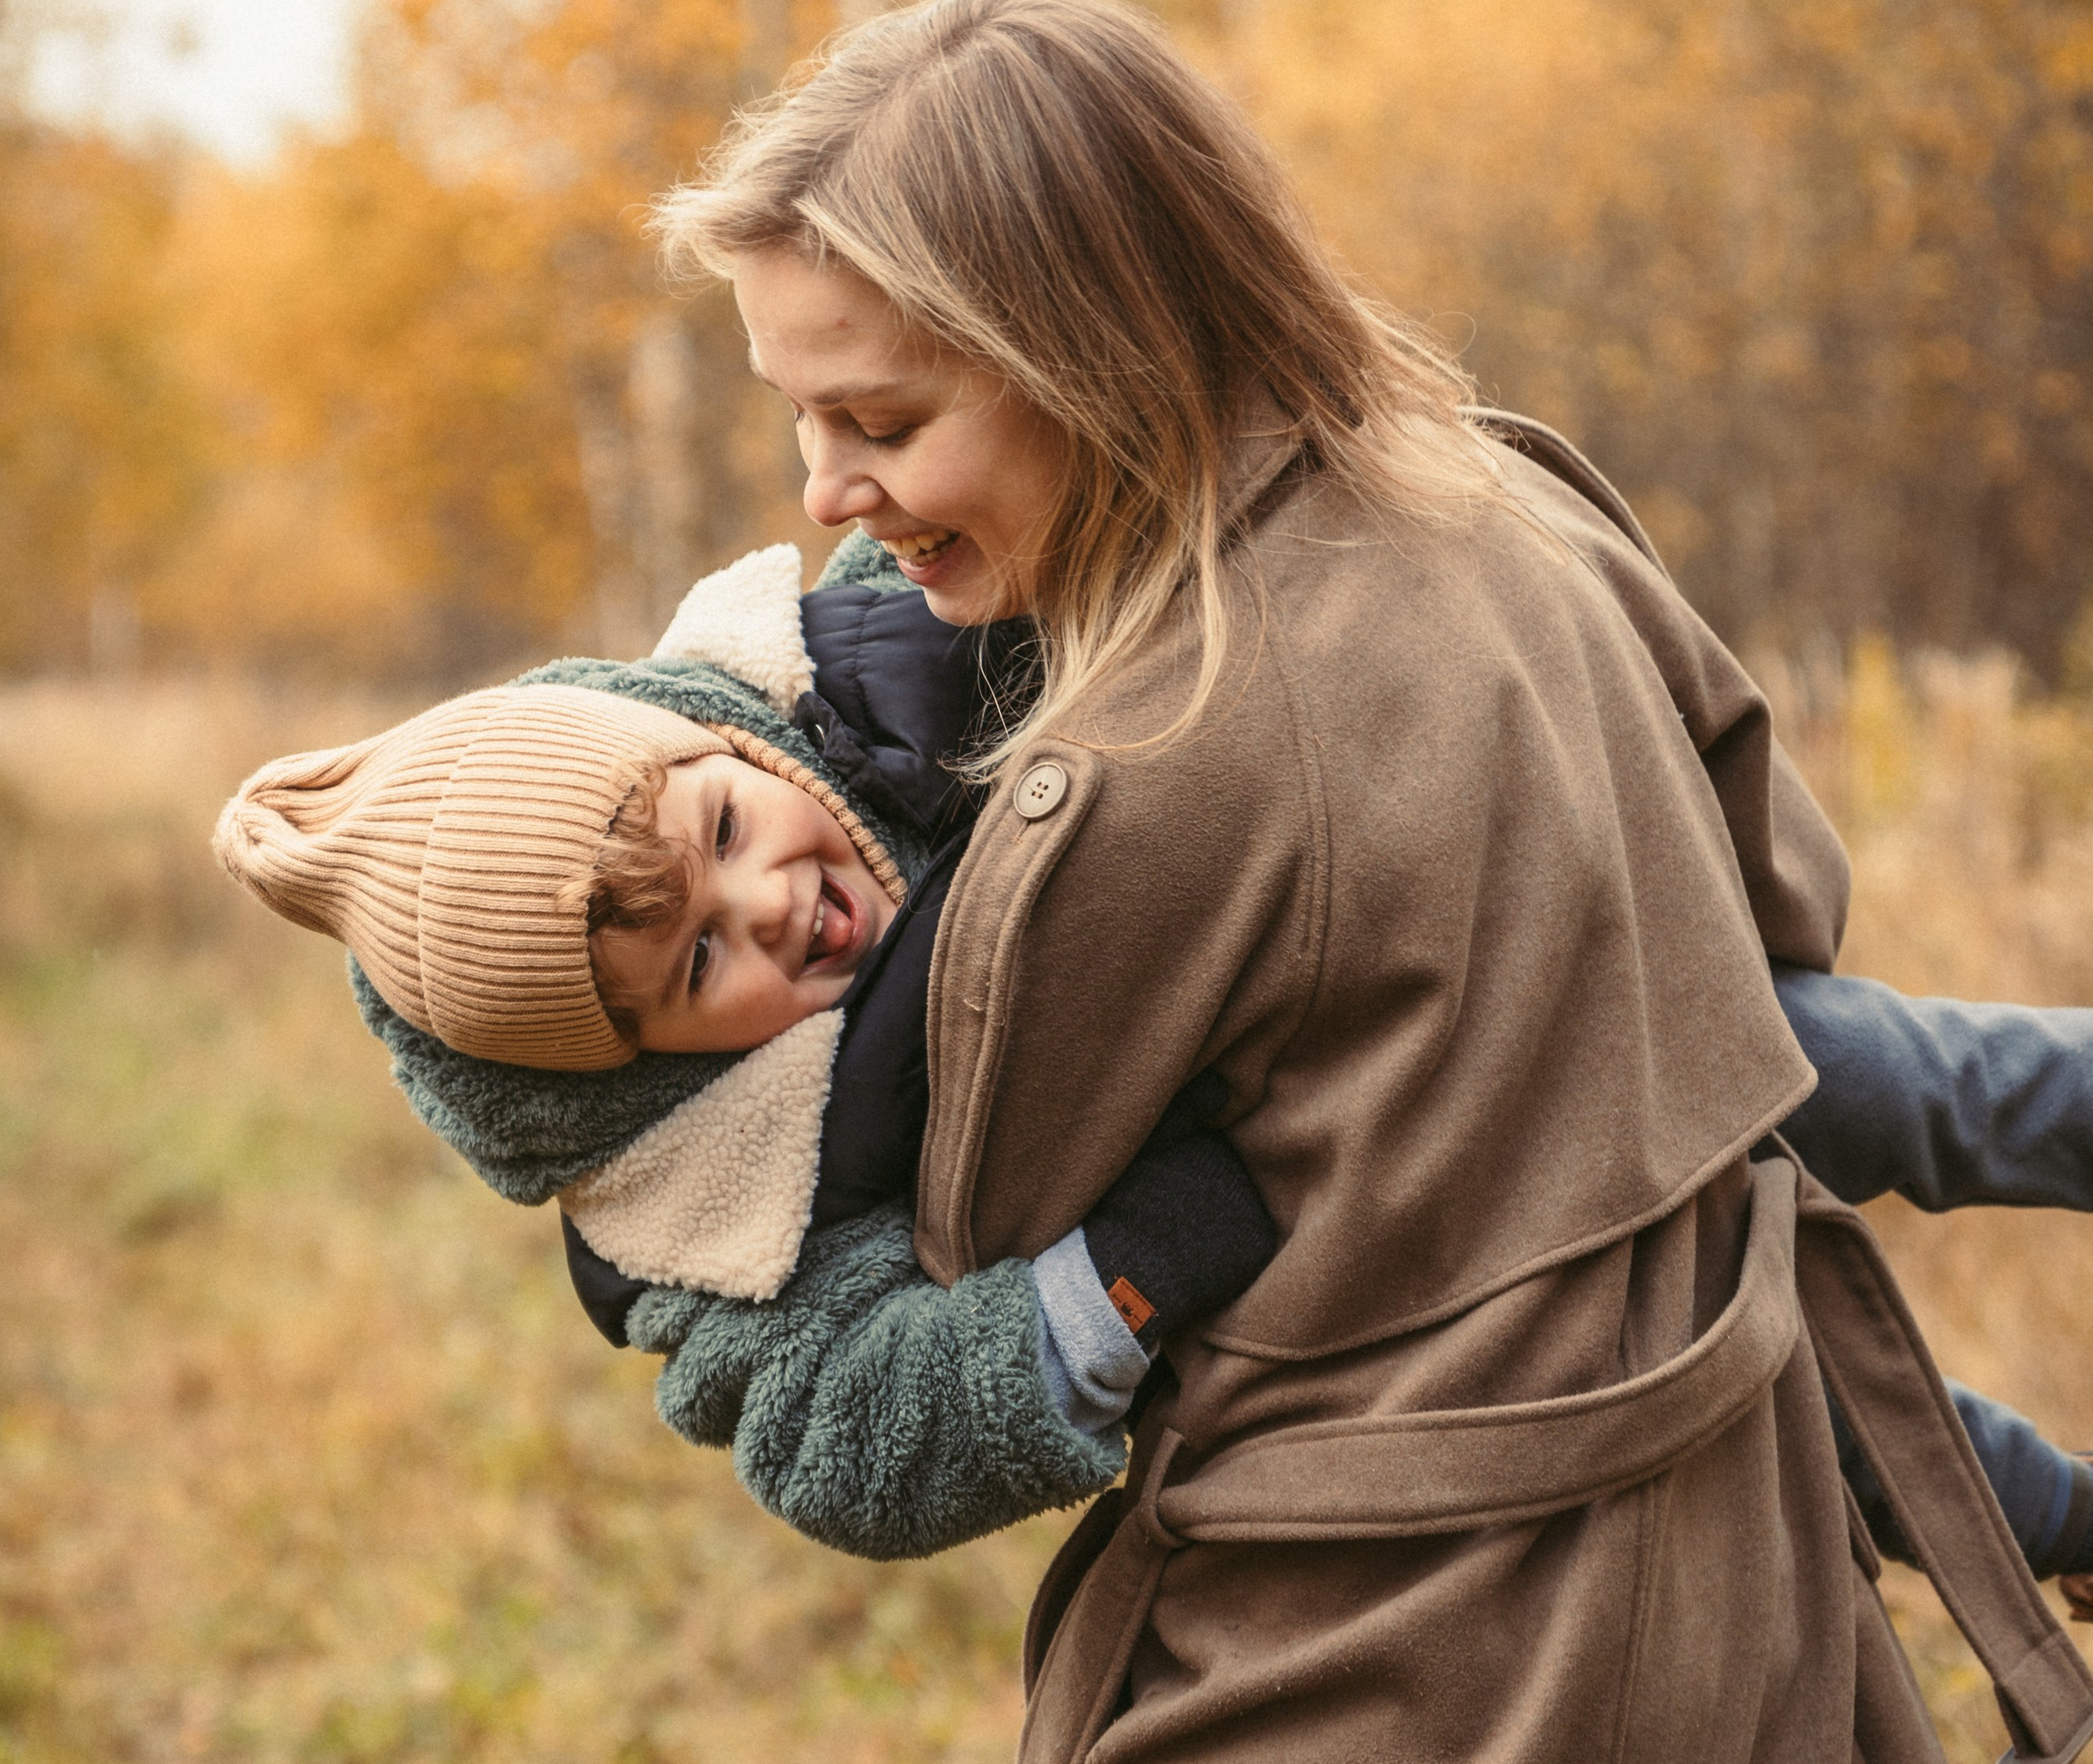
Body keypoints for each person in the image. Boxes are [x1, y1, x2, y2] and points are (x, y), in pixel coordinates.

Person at [637, 0, 2093, 1764]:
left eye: (882, 415)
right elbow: (1777, 911)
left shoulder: (1143, 760)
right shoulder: (1515, 503)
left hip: (1380, 1699)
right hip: (1724, 1590)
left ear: (1088, 340)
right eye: (800, 416)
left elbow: (990, 1205)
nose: (827, 491)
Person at [213, 539, 2093, 1586]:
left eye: (719, 827)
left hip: (1444, 986)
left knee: (1836, 1062)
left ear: (714, 733)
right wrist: (1108, 1283)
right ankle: (2056, 1523)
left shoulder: (891, 652)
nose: (765, 904)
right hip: (1355, 1240)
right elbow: (839, 1432)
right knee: (1747, 1382)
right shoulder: (709, 1202)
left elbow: (1128, 536)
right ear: (642, 1067)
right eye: (690, 966)